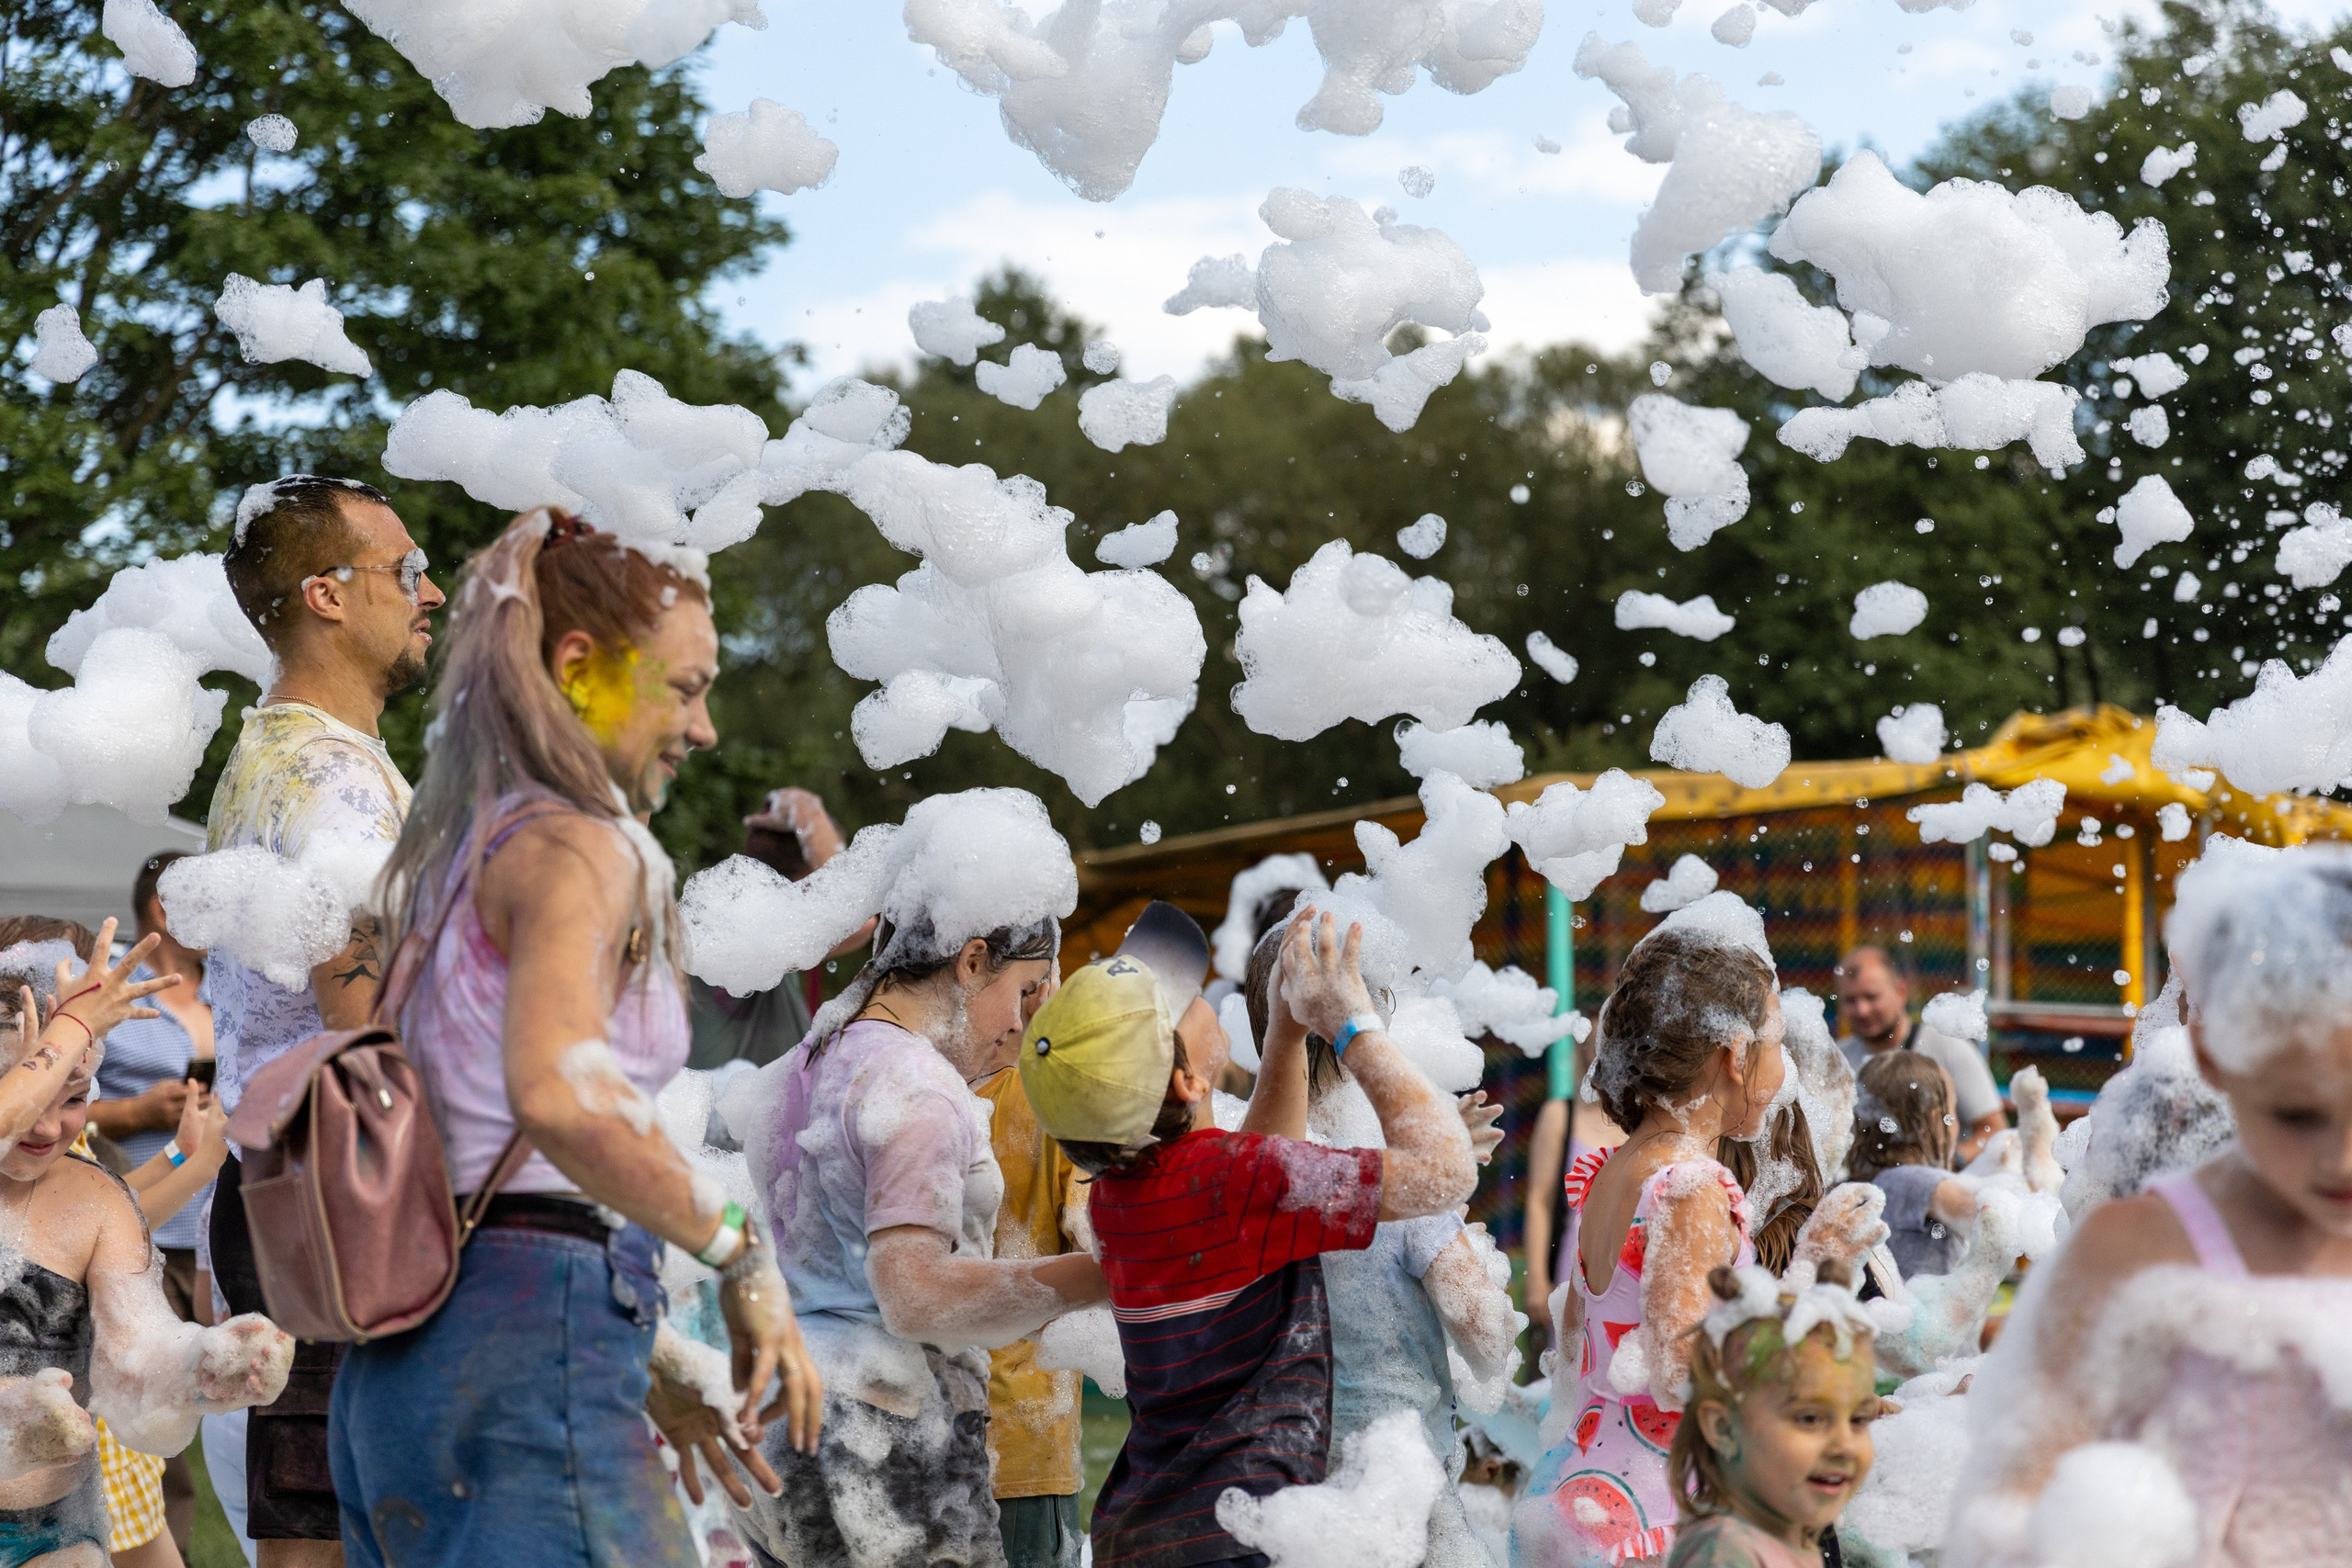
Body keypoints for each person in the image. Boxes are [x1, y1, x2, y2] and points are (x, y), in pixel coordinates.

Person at [333, 507, 821, 1568]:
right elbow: (556, 1096)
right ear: (579, 667)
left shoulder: (456, 852)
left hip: (405, 1367)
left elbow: (466, 1152)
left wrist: (645, 1361)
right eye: (685, 689)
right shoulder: (583, 846)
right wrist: (739, 1252)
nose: (705, 729)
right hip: (529, 1340)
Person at [1025, 908, 1479, 1568]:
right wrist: (1352, 1022)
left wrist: (1285, 1035)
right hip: (1242, 1537)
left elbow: (1255, 1175)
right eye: (1182, 1001)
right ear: (1187, 1081)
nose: (1200, 993)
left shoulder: (1117, 1199)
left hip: (1143, 1532)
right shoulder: (1242, 1183)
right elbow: (1445, 1171)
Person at [730, 788, 1106, 1568]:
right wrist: (1104, 1273)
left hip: (781, 1438)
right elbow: (915, 1295)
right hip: (887, 1453)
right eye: (1023, 989)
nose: (1021, 1021)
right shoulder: (918, 1086)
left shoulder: (808, 1062)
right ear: (971, 961)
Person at [1948, 843, 2352, 1566]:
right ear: (2213, 1057)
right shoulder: (2137, 1251)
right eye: (2297, 1115)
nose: (2342, 1157)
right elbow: (2008, 1508)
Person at [206, 474, 446, 1565]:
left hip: (296, 1188)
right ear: (328, 594)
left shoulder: (285, 754)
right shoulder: (330, 784)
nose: (431, 592)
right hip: (343, 1196)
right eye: (408, 570)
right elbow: (369, 1035)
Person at [0, 922, 289, 1568]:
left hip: (58, 1532)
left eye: (75, 1099)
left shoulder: (95, 1199)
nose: (47, 1124)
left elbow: (135, 1355)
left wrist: (202, 1367)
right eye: (34, 1093)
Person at [1240, 923, 1516, 1568]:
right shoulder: (1389, 1181)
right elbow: (1485, 1332)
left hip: (1282, 1486)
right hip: (1400, 1487)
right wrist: (1457, 1227)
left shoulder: (1243, 1169)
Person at [87, 853, 215, 1562]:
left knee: (213, 1396)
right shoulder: (114, 991)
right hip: (142, 1233)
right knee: (150, 1406)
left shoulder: (229, 989)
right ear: (165, 908)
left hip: (212, 1223)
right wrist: (137, 1110)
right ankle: (169, 1543)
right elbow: (51, 1107)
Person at [972, 953, 1090, 1568]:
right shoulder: (1057, 1104)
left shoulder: (911, 1091)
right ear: (1040, 990)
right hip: (1026, 1438)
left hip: (918, 1432)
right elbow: (1103, 1238)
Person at [1665, 1264, 1883, 1568]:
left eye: (1858, 1419)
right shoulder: (1724, 1554)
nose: (1845, 1445)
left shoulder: (1787, 1534)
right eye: (1810, 1419)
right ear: (1724, 1428)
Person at [687, 788, 873, 1073]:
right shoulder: (762, 935)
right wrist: (812, 817)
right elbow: (860, 920)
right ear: (808, 872)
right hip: (737, 1097)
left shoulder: (717, 923)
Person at [1833, 947, 2004, 1162]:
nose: (1862, 1010)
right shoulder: (1837, 1059)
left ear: (1901, 992)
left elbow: (1995, 1130)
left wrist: (1946, 1165)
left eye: (1871, 997)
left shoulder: (1948, 1047)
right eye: (1850, 1000)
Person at [1521, 1043, 1626, 1368]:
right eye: (1593, 1044)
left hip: (1625, 1261)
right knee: (1571, 1363)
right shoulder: (1560, 1115)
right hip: (1572, 1262)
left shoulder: (1641, 1119)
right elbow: (1539, 1200)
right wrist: (1536, 1277)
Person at [1846, 1052, 1973, 1280]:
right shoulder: (1911, 1180)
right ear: (1936, 1121)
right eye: (1953, 1110)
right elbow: (1988, 1213)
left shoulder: (1878, 1179)